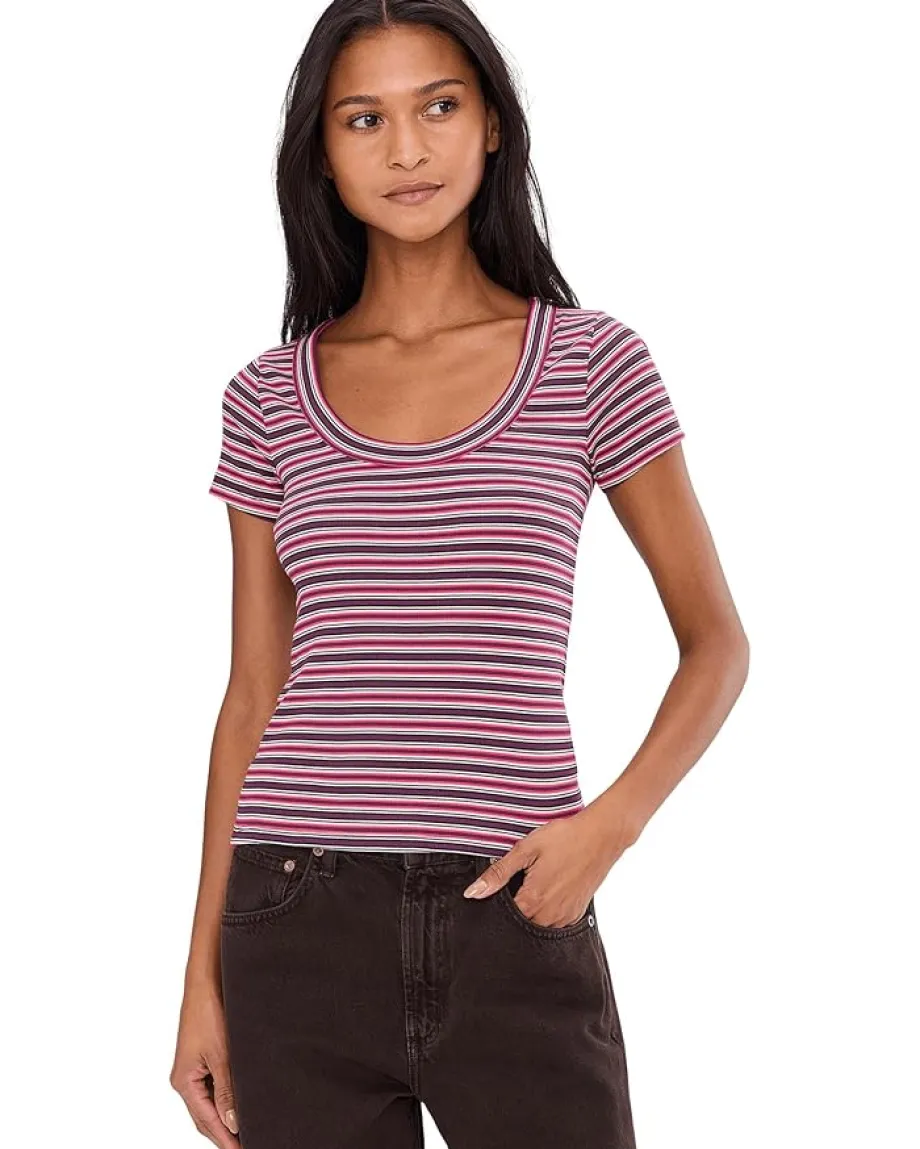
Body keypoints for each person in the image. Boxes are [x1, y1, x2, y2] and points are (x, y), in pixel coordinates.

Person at [170, 3, 749, 1147]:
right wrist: (199, 980)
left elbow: (714, 643)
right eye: (363, 119)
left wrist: (607, 829)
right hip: (295, 913)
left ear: (490, 123)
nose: (406, 149)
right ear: (320, 153)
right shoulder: (268, 398)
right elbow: (252, 695)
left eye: (437, 106)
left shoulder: (589, 364)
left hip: (517, 903)